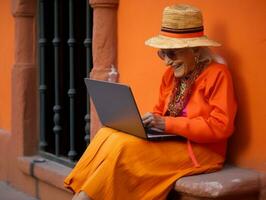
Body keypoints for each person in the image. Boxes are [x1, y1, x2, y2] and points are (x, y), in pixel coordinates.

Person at [64, 4, 237, 200]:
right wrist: (148, 122)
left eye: (172, 54)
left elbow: (222, 126)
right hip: (171, 142)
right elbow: (160, 112)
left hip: (200, 152)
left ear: (195, 49)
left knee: (124, 148)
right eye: (163, 53)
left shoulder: (218, 74)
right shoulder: (170, 76)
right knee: (108, 134)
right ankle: (83, 194)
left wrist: (166, 123)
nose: (167, 62)